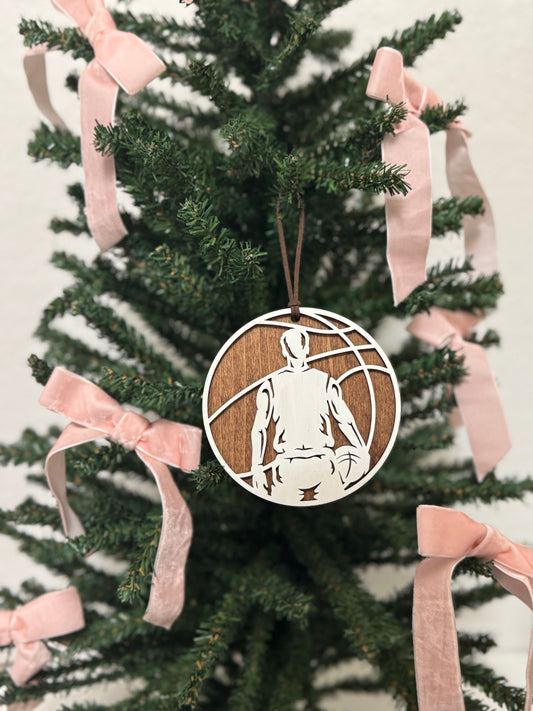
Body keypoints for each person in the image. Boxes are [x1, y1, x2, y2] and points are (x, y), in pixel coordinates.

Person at [250, 326, 370, 504]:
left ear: (284, 351)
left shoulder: (320, 382)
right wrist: (256, 468)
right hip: (295, 463)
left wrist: (257, 468)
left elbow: (344, 419)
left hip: (315, 462)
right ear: (306, 348)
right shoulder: (274, 385)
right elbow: (344, 420)